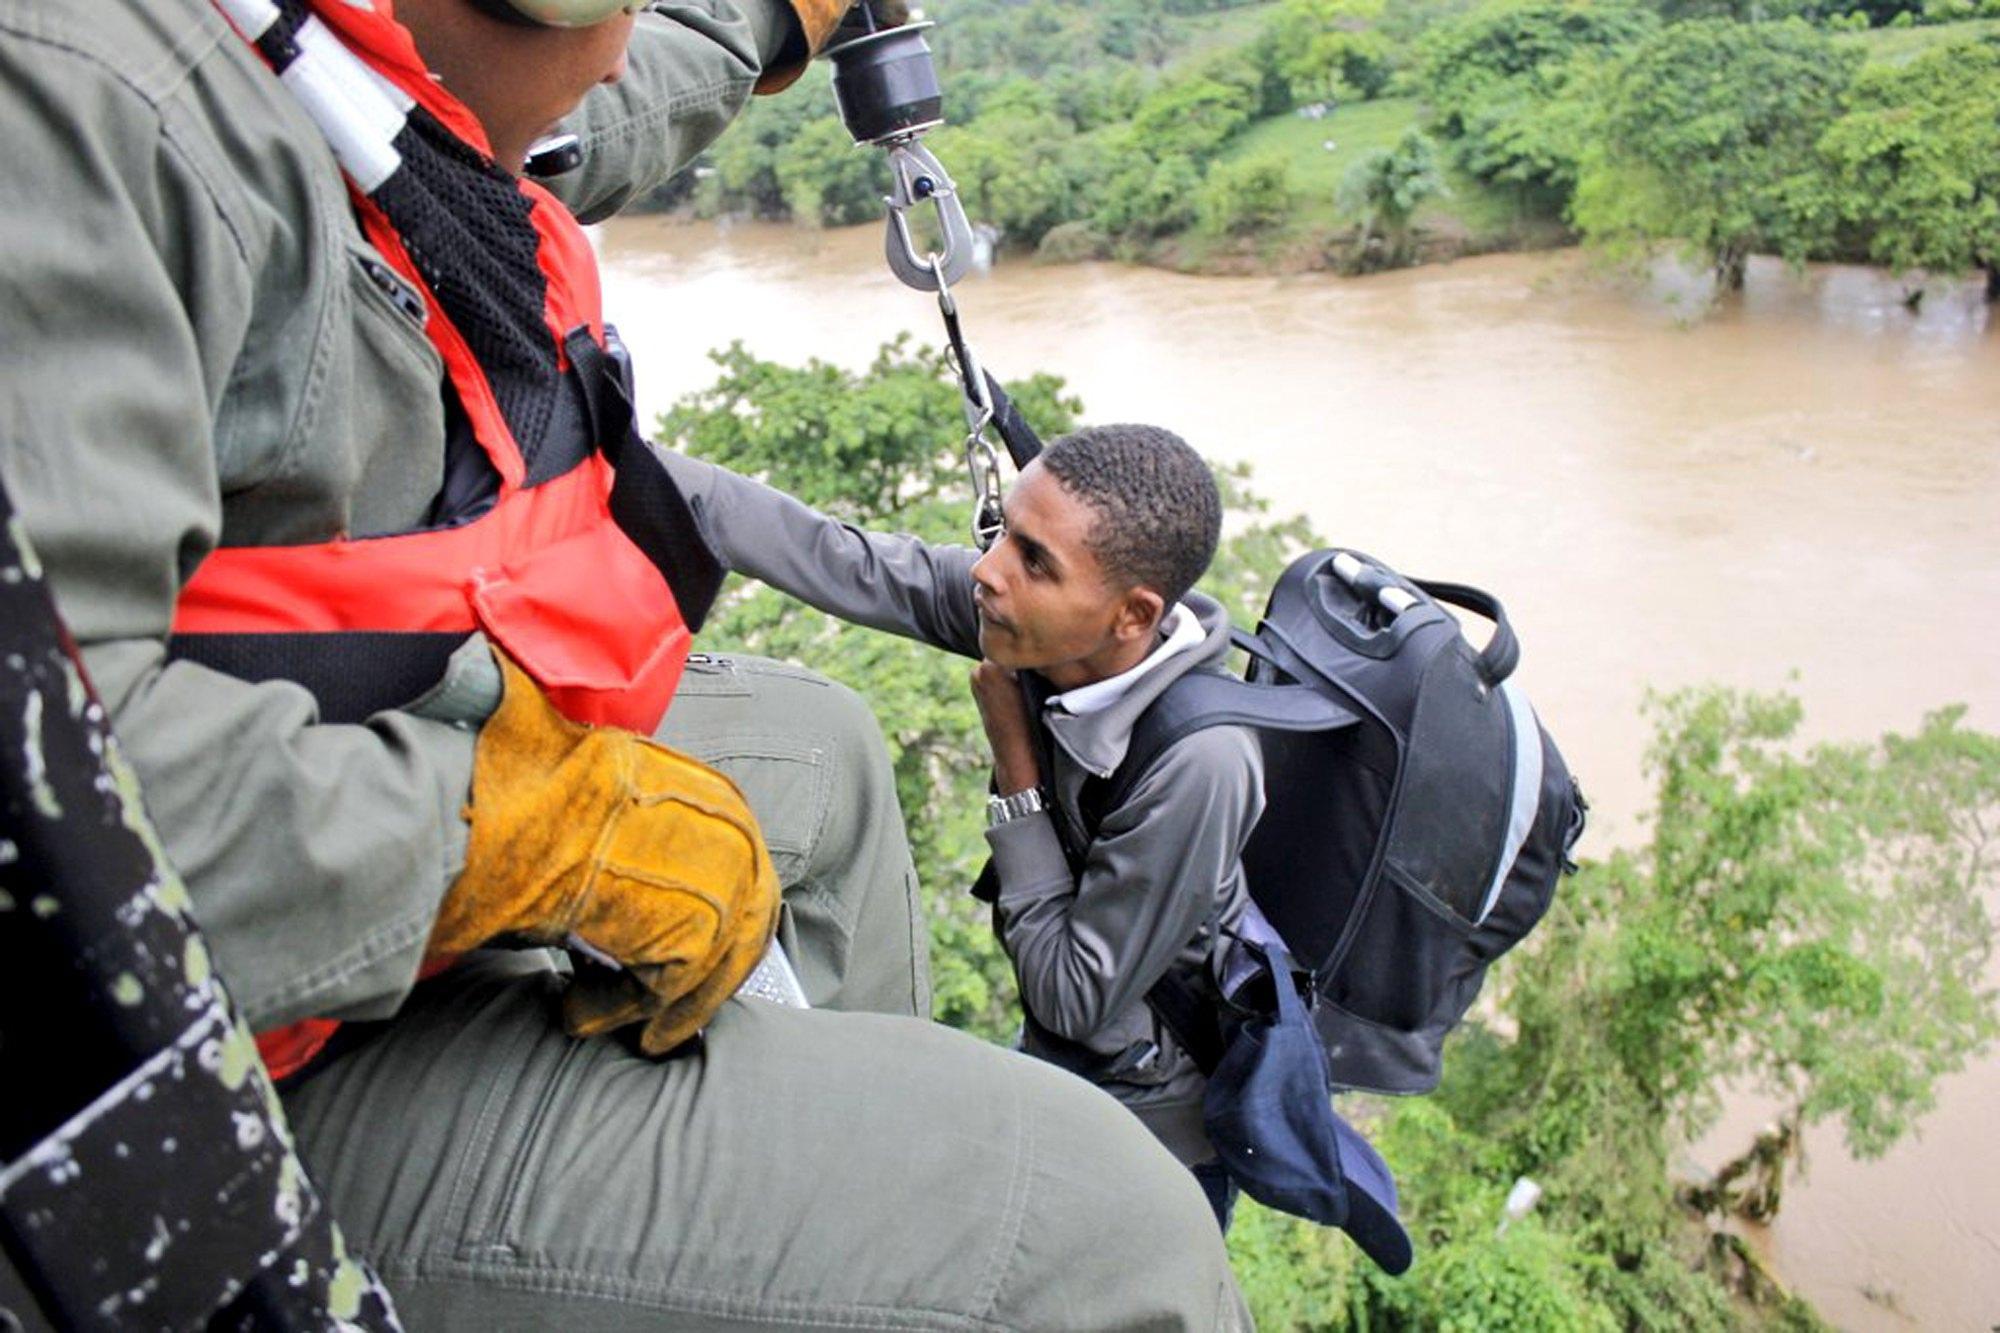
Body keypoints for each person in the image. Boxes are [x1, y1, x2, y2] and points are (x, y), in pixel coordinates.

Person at [0, 0, 1249, 1326]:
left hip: (407, 740)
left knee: (823, 750)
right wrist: (529, 837)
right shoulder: (86, 108)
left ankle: (812, 1173)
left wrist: (774, 18)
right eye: (605, 12)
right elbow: (60, 823)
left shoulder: (348, 85)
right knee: (1112, 1235)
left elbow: (587, 99)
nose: (614, 51)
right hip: (198, 1062)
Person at [658, 425, 1265, 1225]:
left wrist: (1016, 765)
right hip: (1061, 1068)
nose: (988, 570)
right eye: (1006, 534)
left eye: (1034, 559)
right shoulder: (1040, 622)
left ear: (1134, 615)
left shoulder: (1202, 764)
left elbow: (1071, 994)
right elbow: (840, 559)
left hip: (1151, 1139)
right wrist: (601, 438)